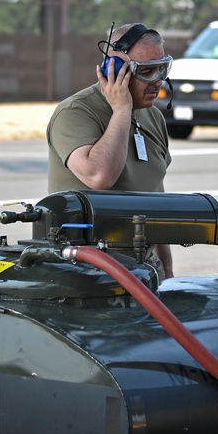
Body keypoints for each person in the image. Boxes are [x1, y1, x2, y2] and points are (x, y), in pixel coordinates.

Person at [46, 22, 175, 278]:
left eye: (163, 68)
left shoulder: (153, 117)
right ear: (114, 69)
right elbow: (99, 177)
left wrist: (168, 272)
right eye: (147, 71)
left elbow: (156, 199)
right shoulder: (74, 113)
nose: (158, 80)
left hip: (143, 271)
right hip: (88, 273)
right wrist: (121, 110)